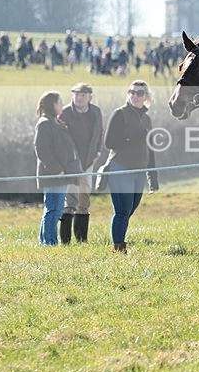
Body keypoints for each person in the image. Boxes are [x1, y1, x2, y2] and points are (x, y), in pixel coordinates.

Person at [103, 80, 159, 253]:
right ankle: (119, 247)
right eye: (131, 92)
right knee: (122, 211)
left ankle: (119, 242)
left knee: (130, 209)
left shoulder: (147, 119)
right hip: (120, 168)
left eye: (139, 93)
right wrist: (133, 138)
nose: (135, 96)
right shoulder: (120, 114)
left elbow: (149, 148)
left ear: (147, 97)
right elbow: (109, 142)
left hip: (139, 171)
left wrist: (153, 176)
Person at [59, 83, 105, 244]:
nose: (79, 98)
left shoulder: (96, 112)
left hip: (88, 162)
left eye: (83, 95)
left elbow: (100, 133)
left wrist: (97, 152)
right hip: (70, 164)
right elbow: (60, 140)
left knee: (84, 200)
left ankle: (81, 240)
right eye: (76, 94)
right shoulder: (64, 113)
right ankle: (65, 241)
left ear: (90, 97)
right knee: (70, 201)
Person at [34, 91, 80, 246]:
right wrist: (56, 169)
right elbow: (42, 149)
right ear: (52, 104)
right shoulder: (45, 123)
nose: (62, 105)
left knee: (55, 209)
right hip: (53, 175)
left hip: (62, 175)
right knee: (53, 210)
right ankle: (49, 243)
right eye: (60, 102)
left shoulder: (55, 122)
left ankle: (44, 242)